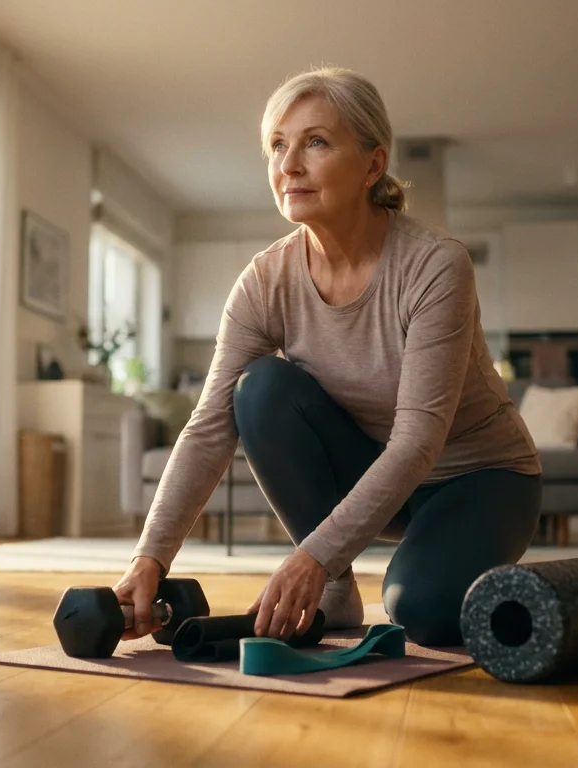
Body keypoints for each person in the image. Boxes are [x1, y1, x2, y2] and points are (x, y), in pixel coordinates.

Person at [112, 67, 542, 647]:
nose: (289, 165)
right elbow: (209, 427)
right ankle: (337, 594)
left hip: (484, 478)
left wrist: (310, 555)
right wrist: (149, 560)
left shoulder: (435, 265)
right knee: (257, 389)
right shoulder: (265, 281)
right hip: (374, 470)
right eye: (277, 146)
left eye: (315, 142)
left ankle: (470, 567)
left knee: (421, 611)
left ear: (373, 164)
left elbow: (419, 441)